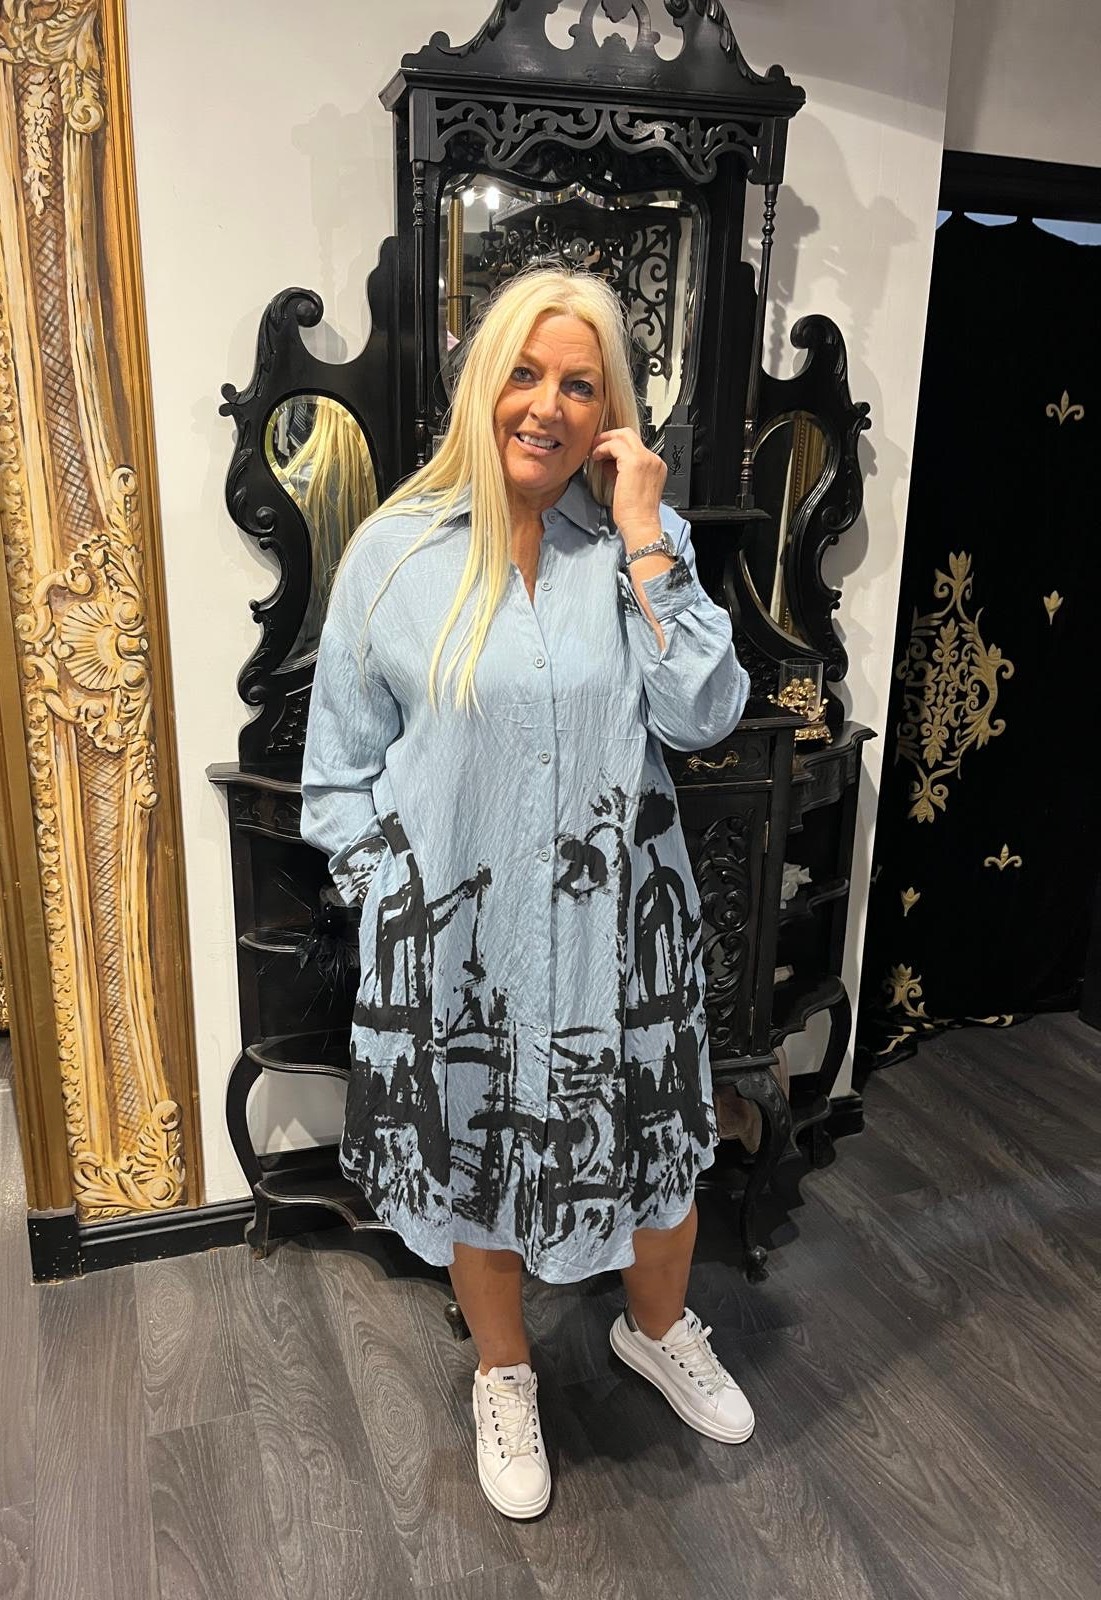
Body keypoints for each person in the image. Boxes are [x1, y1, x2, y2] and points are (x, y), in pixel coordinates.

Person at [299, 267, 754, 1521]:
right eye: (526, 373)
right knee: (480, 1169)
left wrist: (648, 527)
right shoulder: (395, 556)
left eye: (580, 384)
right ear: (483, 383)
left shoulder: (637, 549)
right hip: (470, 955)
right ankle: (504, 1373)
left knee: (662, 1166)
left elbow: (706, 714)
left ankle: (654, 1333)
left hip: (624, 944)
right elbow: (337, 773)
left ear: (610, 412)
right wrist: (394, 904)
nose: (547, 405)